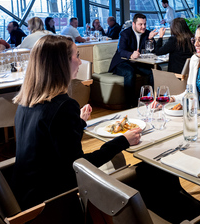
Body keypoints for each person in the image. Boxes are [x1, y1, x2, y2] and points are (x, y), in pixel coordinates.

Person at [11, 35, 142, 209]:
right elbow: (79, 166)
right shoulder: (63, 106)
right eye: (77, 56)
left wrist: (78, 122)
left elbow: (55, 144)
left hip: (25, 193)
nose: (80, 62)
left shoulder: (26, 101)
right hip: (54, 201)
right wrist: (123, 141)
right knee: (137, 171)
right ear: (62, 63)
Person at [109, 13, 158, 106]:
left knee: (153, 71)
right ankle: (129, 104)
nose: (143, 27)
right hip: (122, 62)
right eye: (140, 24)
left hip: (137, 63)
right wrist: (131, 54)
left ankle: (149, 100)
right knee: (129, 72)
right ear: (134, 24)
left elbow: (153, 50)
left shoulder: (147, 33)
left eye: (145, 24)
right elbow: (121, 50)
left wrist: (150, 39)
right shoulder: (125, 33)